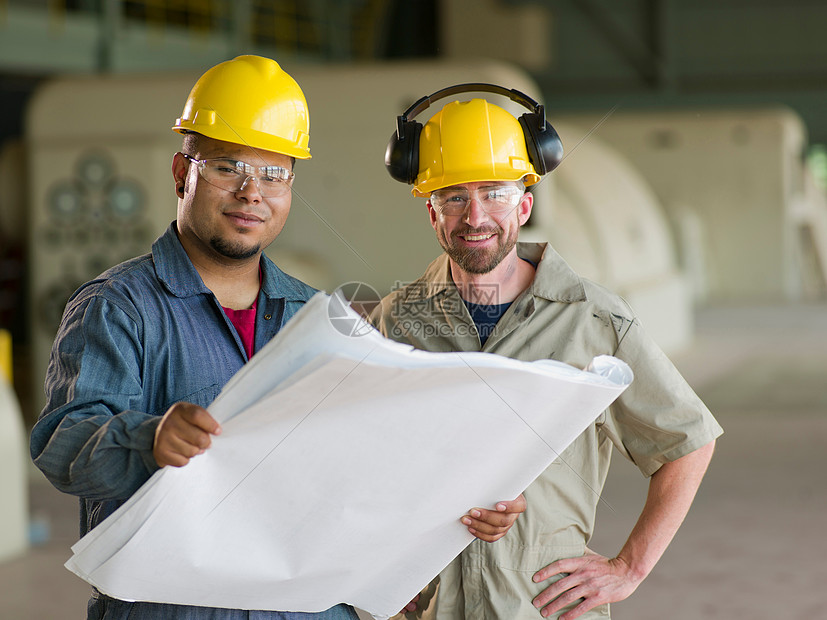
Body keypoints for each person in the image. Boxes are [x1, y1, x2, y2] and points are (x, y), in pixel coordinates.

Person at [29, 57, 522, 620]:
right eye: (226, 166)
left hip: (310, 607)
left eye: (274, 173)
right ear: (180, 173)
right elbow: (62, 445)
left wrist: (466, 500)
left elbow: (362, 465)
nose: (250, 191)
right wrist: (149, 439)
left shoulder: (318, 318)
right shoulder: (120, 308)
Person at [373, 85, 723, 620]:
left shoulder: (592, 319)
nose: (476, 216)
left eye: (495, 193)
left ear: (525, 204)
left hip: (541, 608)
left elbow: (687, 443)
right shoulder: (398, 318)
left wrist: (629, 567)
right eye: (453, 197)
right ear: (431, 212)